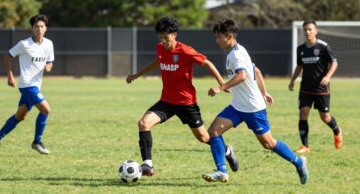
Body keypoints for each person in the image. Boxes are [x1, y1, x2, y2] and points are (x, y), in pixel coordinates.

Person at [126, 16, 238, 176]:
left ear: (175, 34)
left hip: (186, 103)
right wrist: (137, 75)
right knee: (144, 124)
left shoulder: (185, 51)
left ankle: (227, 151)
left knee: (204, 138)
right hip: (166, 101)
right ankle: (147, 165)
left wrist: (222, 84)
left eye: (166, 37)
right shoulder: (160, 48)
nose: (163, 41)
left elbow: (208, 63)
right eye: (160, 37)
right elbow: (158, 61)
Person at [201, 18, 309, 184]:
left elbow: (243, 75)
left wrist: (221, 87)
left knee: (268, 143)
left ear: (229, 36)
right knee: (214, 131)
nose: (217, 40)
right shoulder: (236, 51)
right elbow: (256, 70)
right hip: (238, 106)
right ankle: (221, 170)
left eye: (219, 37)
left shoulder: (237, 54)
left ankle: (299, 161)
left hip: (253, 108)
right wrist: (264, 92)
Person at [0, 15, 54, 155]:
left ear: (46, 28)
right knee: (45, 110)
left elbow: (50, 61)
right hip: (26, 84)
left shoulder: (49, 44)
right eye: (36, 26)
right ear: (32, 29)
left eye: (42, 26)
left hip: (36, 85)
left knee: (20, 116)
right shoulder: (24, 44)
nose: (39, 29)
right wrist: (10, 75)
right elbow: (8, 56)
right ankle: (37, 142)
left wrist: (49, 66)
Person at [288, 20, 343, 153]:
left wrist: (327, 77)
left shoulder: (323, 46)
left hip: (321, 88)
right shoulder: (300, 49)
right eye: (305, 29)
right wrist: (292, 80)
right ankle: (305, 146)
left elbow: (334, 63)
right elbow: (299, 66)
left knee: (325, 117)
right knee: (303, 113)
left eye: (310, 29)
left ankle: (337, 130)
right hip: (305, 87)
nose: (307, 32)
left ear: (315, 31)